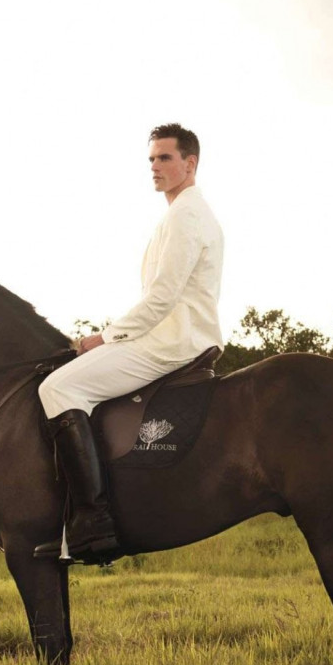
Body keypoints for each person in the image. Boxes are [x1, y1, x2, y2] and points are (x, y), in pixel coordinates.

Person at [33, 123, 224, 562]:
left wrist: (105, 337)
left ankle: (93, 520)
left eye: (165, 158)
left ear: (190, 163)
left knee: (57, 388)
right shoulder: (184, 213)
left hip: (170, 342)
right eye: (151, 159)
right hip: (171, 335)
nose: (155, 166)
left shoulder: (186, 216)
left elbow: (161, 298)